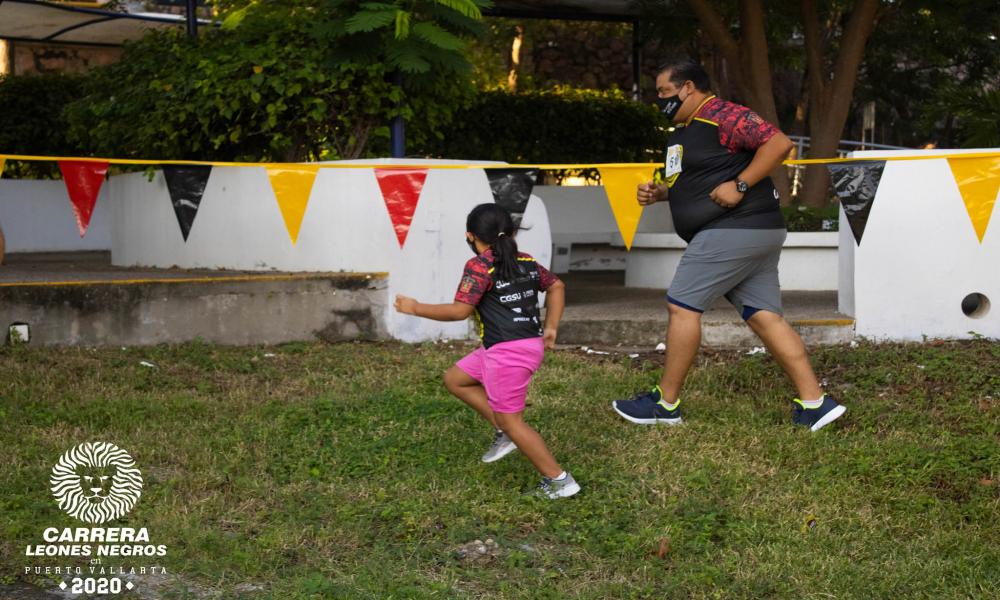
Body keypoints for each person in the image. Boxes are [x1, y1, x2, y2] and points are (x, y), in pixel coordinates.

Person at [612, 58, 846, 432]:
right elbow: (697, 183)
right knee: (765, 317)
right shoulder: (683, 132)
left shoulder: (721, 113)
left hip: (732, 229)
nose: (659, 100)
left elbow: (779, 143)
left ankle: (665, 404)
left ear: (688, 87)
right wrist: (661, 193)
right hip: (751, 233)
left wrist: (740, 185)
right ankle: (815, 403)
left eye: (664, 92)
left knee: (681, 306)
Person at [394, 203, 580, 498]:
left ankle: (559, 480)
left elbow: (460, 311)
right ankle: (504, 430)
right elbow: (556, 286)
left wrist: (415, 307)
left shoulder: (480, 266)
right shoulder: (526, 260)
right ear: (512, 232)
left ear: (471, 236)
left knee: (512, 420)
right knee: (456, 378)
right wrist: (552, 326)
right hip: (510, 347)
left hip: (508, 353)